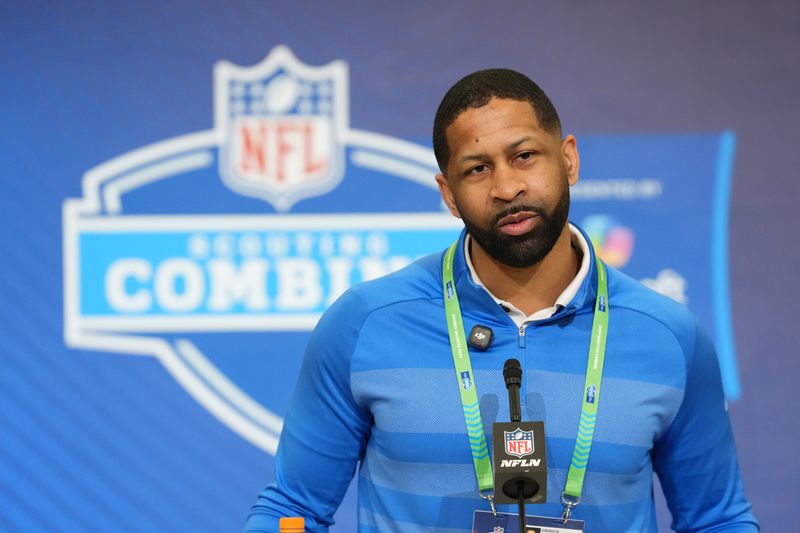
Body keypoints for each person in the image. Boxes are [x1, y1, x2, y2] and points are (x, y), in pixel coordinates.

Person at [244, 69, 758, 532]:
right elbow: (294, 510)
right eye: (477, 169)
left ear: (569, 159)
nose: (507, 187)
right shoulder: (365, 323)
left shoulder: (669, 335)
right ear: (448, 195)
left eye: (524, 156)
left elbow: (717, 519)